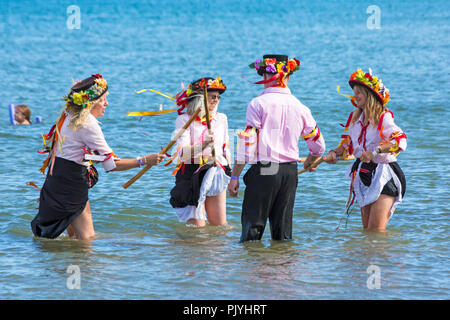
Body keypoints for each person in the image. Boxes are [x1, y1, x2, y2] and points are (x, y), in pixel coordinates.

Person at [31, 74, 165, 240]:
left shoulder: (67, 115)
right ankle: (84, 265)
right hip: (71, 185)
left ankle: (65, 265)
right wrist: (145, 160)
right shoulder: (88, 123)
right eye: (103, 100)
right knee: (87, 239)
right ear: (91, 103)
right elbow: (111, 165)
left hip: (56, 181)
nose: (107, 104)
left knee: (72, 238)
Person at [227, 54, 326, 242]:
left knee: (252, 230)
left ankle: (254, 269)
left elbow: (248, 146)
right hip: (289, 171)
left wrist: (235, 176)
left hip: (265, 169)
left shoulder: (257, 104)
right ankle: (283, 269)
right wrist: (313, 159)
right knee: (283, 233)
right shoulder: (300, 107)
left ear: (265, 76)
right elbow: (318, 145)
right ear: (287, 78)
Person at [324, 68, 407, 231]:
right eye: (354, 92)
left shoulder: (384, 117)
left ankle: (387, 256)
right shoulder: (355, 119)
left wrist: (375, 151)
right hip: (364, 175)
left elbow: (400, 139)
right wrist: (334, 152)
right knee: (367, 232)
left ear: (369, 95)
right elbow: (348, 145)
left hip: (385, 175)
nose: (355, 96)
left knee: (376, 231)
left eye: (359, 92)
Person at [169, 77, 231, 227]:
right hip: (191, 172)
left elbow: (225, 149)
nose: (216, 100)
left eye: (218, 97)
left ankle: (222, 250)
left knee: (220, 225)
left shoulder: (222, 118)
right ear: (199, 98)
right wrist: (203, 145)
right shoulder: (184, 120)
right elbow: (182, 154)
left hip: (216, 170)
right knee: (197, 228)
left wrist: (231, 176)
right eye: (212, 96)